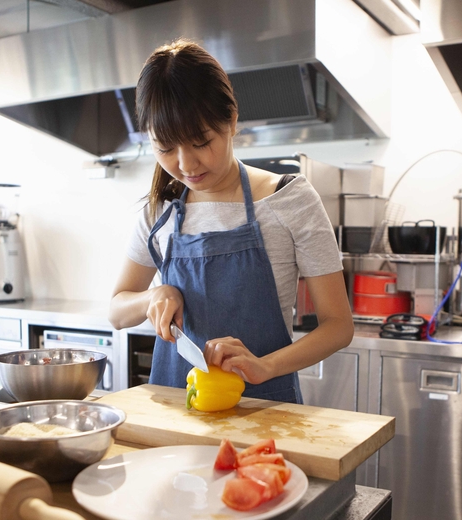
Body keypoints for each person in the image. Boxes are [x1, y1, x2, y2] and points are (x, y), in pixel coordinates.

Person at [108, 39, 354, 404]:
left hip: (263, 410)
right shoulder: (161, 209)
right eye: (165, 148)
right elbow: (116, 310)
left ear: (232, 120)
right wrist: (153, 297)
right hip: (175, 412)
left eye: (200, 141)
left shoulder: (290, 200)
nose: (186, 165)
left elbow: (338, 326)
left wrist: (266, 366)